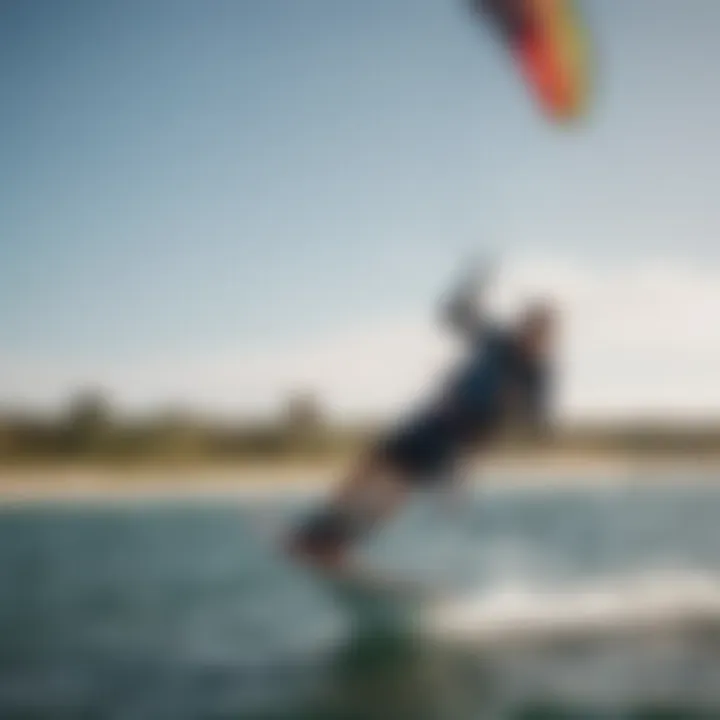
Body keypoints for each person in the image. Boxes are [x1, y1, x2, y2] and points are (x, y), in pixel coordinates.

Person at [286, 262, 556, 571]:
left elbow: (537, 422)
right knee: (367, 468)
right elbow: (454, 313)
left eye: (539, 332)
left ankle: (337, 546)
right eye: (528, 325)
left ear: (546, 338)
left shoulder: (536, 374)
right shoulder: (497, 341)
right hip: (431, 418)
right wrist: (474, 281)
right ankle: (315, 532)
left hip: (457, 439)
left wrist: (513, 408)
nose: (530, 334)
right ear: (522, 324)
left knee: (394, 488)